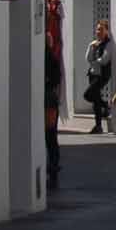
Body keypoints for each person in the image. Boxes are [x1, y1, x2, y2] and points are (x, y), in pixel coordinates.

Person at [82, 21, 115, 134]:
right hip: (92, 73)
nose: (98, 32)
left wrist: (94, 62)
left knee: (87, 95)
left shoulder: (108, 44)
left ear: (106, 31)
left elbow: (104, 60)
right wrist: (92, 47)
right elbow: (87, 58)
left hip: (102, 75)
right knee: (95, 100)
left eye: (101, 29)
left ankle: (106, 105)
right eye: (97, 29)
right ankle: (98, 125)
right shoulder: (94, 43)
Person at [43, 37, 62, 192]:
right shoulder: (52, 57)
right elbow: (57, 78)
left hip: (45, 100)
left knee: (46, 136)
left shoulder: (41, 57)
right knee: (51, 137)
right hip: (50, 100)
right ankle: (53, 170)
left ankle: (50, 169)